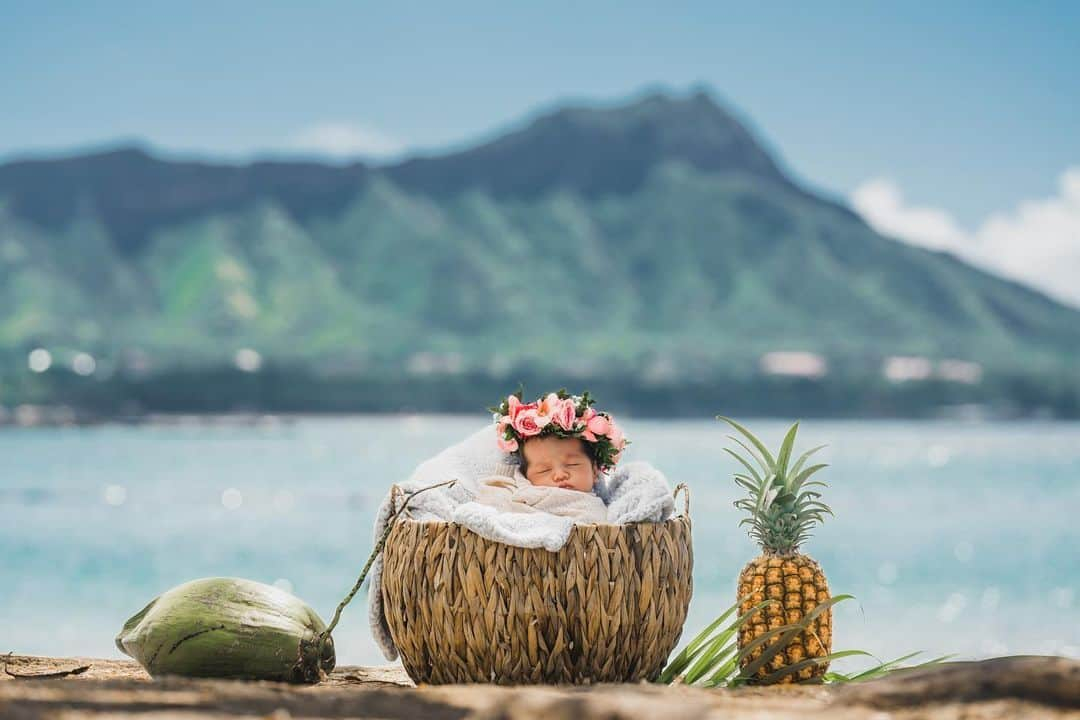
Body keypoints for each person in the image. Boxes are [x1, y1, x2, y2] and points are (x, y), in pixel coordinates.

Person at [475, 390, 629, 523]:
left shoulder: (599, 513)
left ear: (595, 471)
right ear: (525, 476)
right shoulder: (518, 497)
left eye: (572, 464)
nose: (560, 475)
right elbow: (491, 504)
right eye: (544, 470)